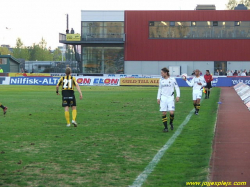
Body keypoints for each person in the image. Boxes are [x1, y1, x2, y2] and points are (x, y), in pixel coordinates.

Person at [157, 67, 180, 132]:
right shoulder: (161, 80)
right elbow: (160, 89)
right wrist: (158, 98)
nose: (161, 74)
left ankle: (171, 123)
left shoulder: (172, 79)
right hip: (163, 98)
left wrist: (178, 96)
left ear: (166, 73)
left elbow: (177, 88)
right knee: (164, 113)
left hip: (170, 98)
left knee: (171, 112)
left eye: (162, 73)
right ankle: (166, 128)